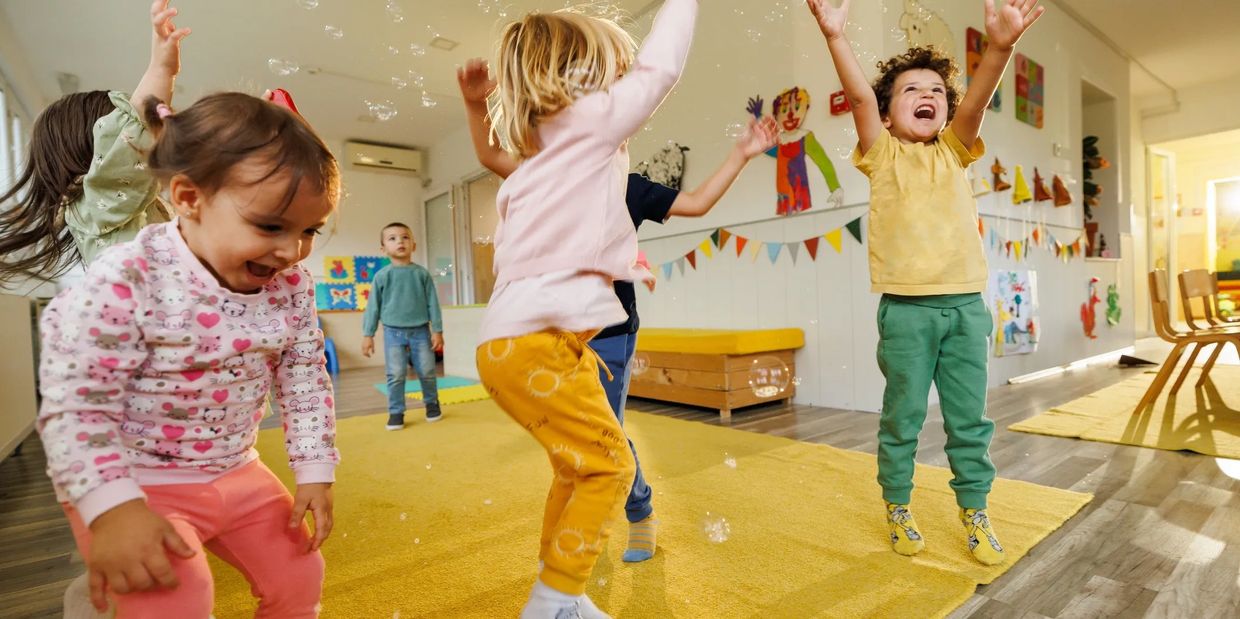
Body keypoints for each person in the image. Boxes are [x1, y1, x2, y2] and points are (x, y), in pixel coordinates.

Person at [458, 57, 777, 563]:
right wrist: (477, 104)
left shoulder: (628, 186)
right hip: (550, 334)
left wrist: (741, 153)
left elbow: (695, 204)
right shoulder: (541, 178)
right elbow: (491, 153)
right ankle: (580, 522)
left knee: (605, 432)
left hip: (608, 331)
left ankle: (638, 512)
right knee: (569, 440)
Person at [37, 90, 342, 616]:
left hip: (234, 467)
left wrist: (315, 467)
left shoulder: (291, 285)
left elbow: (305, 375)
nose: (292, 251)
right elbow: (76, 402)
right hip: (131, 475)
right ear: (187, 197)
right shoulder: (128, 276)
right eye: (270, 226)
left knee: (300, 571)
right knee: (176, 593)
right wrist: (111, 507)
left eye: (309, 230)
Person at [472, 1, 698, 616]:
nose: (625, 87)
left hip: (506, 348)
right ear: (578, 80)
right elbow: (663, 67)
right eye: (613, 73)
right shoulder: (592, 129)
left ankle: (561, 596)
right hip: (541, 342)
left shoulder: (531, 168)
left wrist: (474, 108)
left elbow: (497, 163)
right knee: (609, 467)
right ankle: (552, 602)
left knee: (576, 470)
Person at [807, 0, 1043, 565]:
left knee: (970, 420)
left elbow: (979, 98)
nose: (928, 96)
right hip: (907, 312)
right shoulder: (881, 154)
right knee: (903, 417)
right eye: (911, 90)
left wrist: (1001, 46)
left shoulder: (956, 151)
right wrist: (835, 36)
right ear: (887, 116)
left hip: (965, 309)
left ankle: (975, 510)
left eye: (937, 90)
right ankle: (897, 504)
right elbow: (861, 96)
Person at [0, 0, 190, 283]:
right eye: (119, 131)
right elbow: (137, 120)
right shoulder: (100, 203)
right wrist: (162, 69)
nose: (149, 138)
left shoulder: (116, 205)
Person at [361, 222, 445, 429]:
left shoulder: (421, 274)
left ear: (413, 245)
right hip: (393, 332)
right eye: (392, 238)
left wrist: (438, 330)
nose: (400, 241)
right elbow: (373, 307)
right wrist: (368, 334)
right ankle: (396, 412)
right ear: (383, 249)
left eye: (405, 237)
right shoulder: (382, 276)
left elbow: (433, 303)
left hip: (421, 331)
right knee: (395, 374)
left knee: (427, 370)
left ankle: (432, 405)